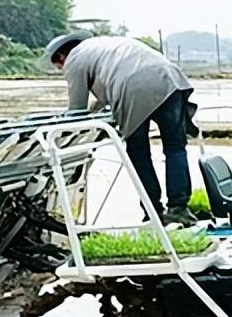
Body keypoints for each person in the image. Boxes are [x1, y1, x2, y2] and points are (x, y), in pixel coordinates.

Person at [47, 30, 199, 227]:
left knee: (138, 152)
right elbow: (105, 89)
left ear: (61, 57)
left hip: (133, 86)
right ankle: (179, 209)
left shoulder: (74, 59)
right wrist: (96, 110)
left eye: (60, 68)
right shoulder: (103, 45)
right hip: (169, 78)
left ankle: (153, 211)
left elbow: (76, 109)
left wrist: (62, 129)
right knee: (175, 147)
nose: (63, 70)